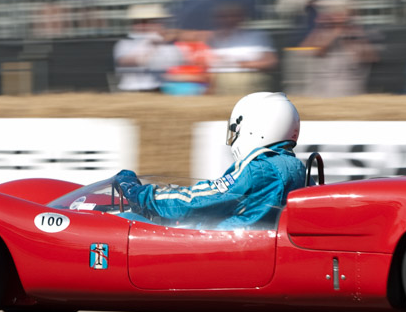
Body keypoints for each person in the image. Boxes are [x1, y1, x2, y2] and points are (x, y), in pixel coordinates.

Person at [115, 92, 306, 229]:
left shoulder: (260, 170)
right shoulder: (295, 169)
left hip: (227, 250)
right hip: (246, 244)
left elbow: (196, 200)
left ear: (255, 127)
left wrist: (140, 194)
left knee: (125, 221)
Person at [112, 4, 183, 92]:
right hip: (135, 89)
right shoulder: (125, 43)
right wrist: (151, 45)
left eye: (151, 22)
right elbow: (126, 62)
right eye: (139, 22)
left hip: (166, 88)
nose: (144, 25)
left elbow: (178, 66)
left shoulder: (170, 44)